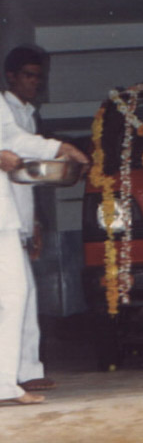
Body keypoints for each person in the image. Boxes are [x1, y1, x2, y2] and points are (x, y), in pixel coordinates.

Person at [0, 91, 89, 405]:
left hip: (3, 216)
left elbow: (10, 136)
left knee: (15, 294)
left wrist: (58, 148)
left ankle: (4, 384)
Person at [4, 46, 53, 393]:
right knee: (16, 294)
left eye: (38, 76)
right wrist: (58, 149)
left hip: (16, 219)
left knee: (25, 293)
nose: (35, 82)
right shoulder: (5, 109)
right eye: (28, 75)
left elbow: (27, 178)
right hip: (4, 218)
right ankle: (15, 376)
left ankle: (26, 370)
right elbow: (17, 148)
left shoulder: (28, 113)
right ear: (11, 77)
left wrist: (34, 222)